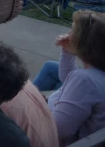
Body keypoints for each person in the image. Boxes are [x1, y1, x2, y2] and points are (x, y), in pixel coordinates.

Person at [34, 11, 105, 145]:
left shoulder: (84, 81)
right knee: (50, 67)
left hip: (59, 139)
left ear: (83, 42)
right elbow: (68, 80)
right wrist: (67, 52)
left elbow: (56, 131)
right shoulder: (95, 74)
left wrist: (36, 103)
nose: (69, 34)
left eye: (73, 31)